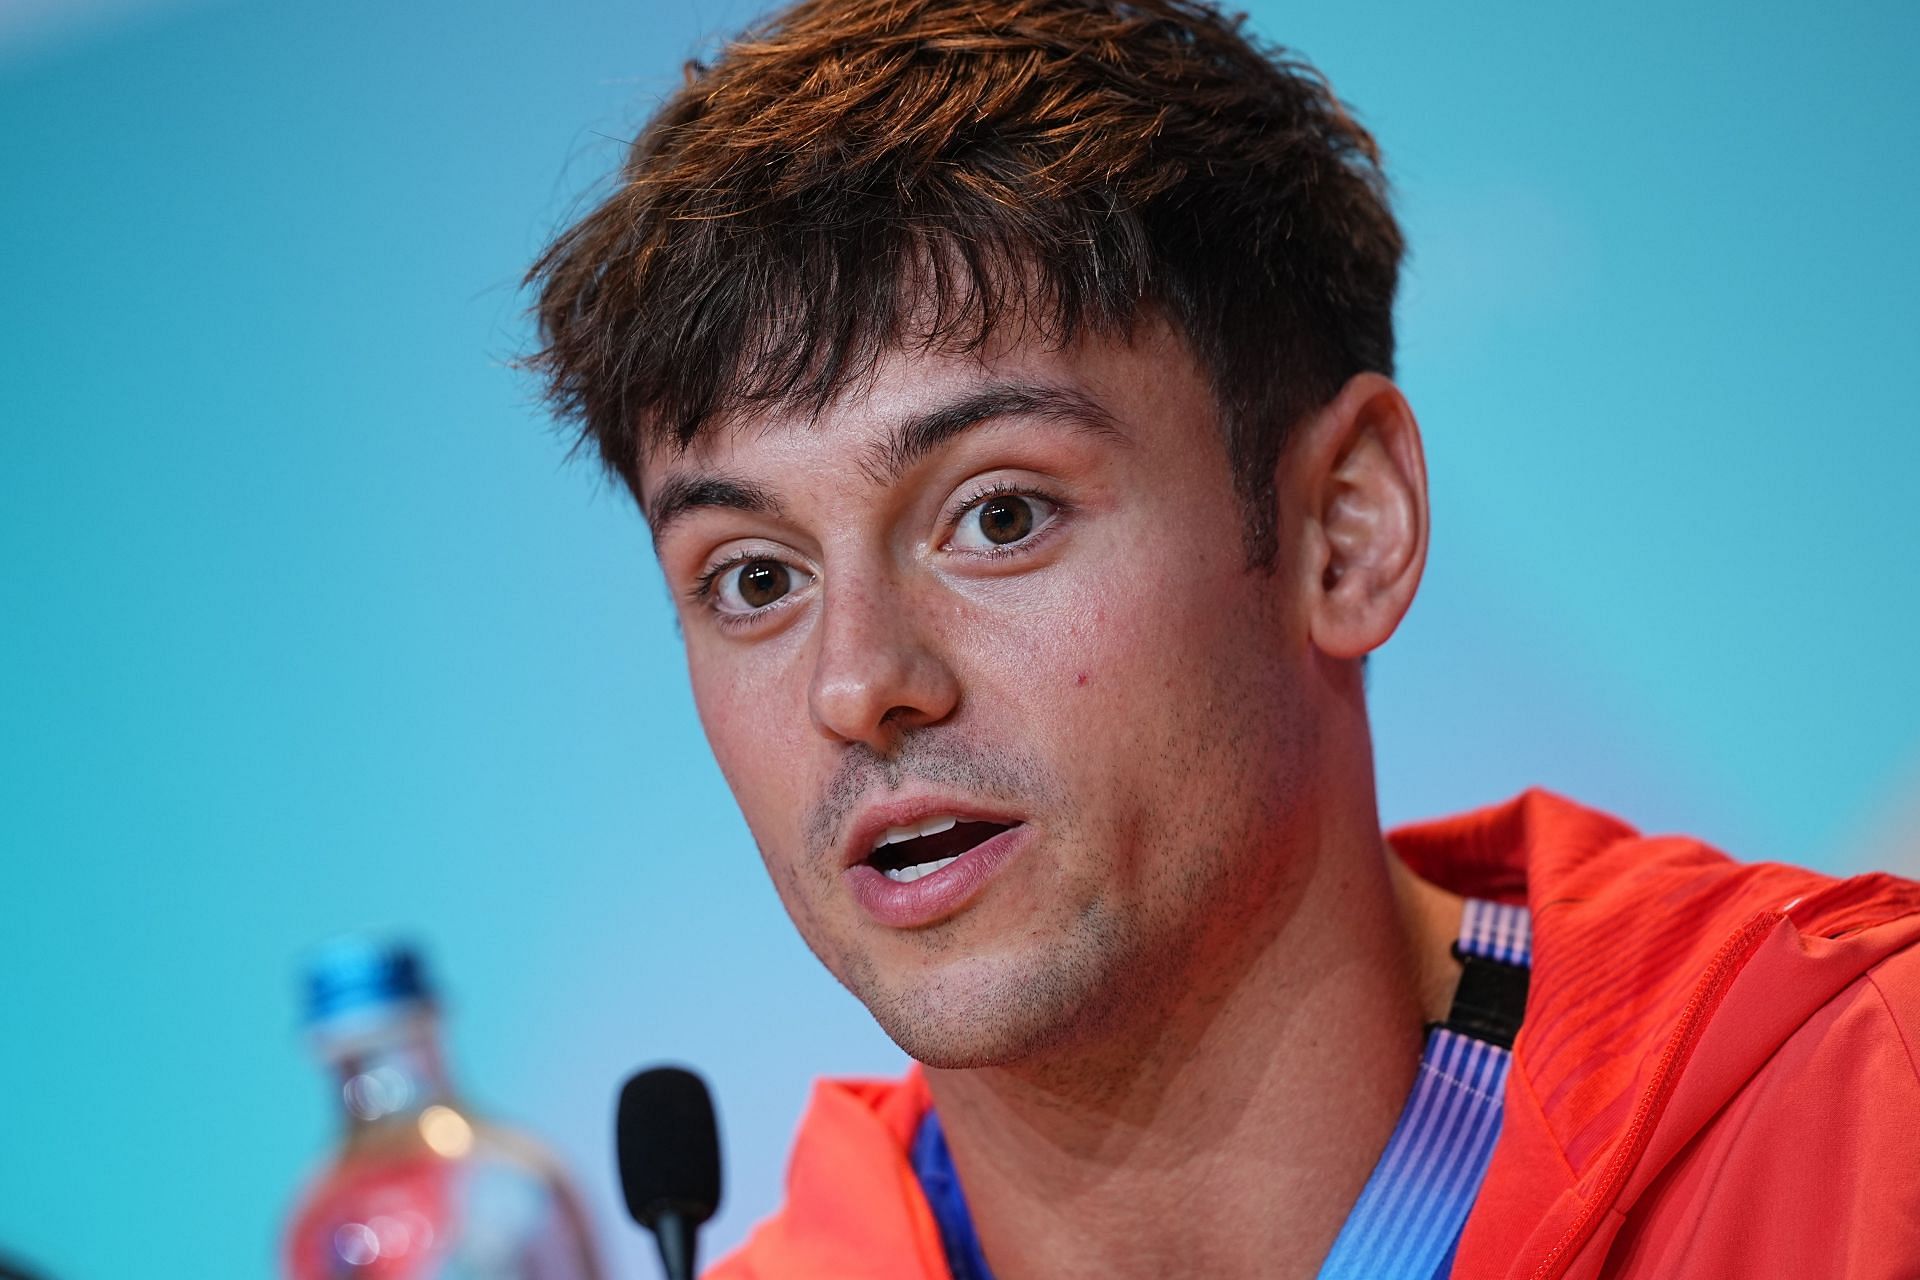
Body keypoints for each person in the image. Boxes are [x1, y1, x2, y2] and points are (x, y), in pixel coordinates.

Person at [523, 0, 1920, 1275]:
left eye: (999, 516)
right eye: (755, 579)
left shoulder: (1873, 1127)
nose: (860, 684)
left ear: (1343, 531)